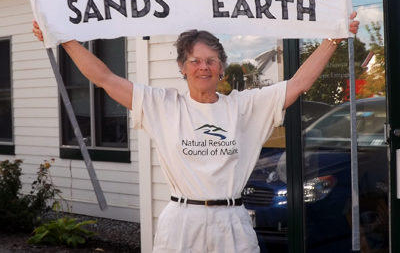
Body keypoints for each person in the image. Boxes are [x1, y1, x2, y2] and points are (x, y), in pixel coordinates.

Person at [32, 13, 359, 253]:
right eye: (195, 60)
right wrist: (65, 39)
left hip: (231, 222)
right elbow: (104, 78)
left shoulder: (245, 107)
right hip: (181, 223)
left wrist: (333, 38)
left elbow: (299, 83)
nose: (203, 67)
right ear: (182, 66)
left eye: (211, 60)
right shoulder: (162, 105)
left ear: (221, 67)